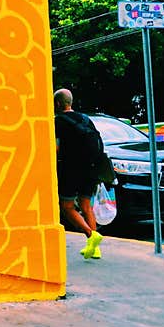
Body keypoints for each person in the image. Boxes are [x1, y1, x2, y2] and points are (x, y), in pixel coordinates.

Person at [53, 88, 104, 259]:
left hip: (71, 170)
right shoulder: (85, 119)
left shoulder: (58, 121)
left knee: (67, 207)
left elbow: (56, 148)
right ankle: (94, 248)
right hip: (91, 168)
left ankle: (91, 235)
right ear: (71, 102)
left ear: (58, 104)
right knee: (86, 205)